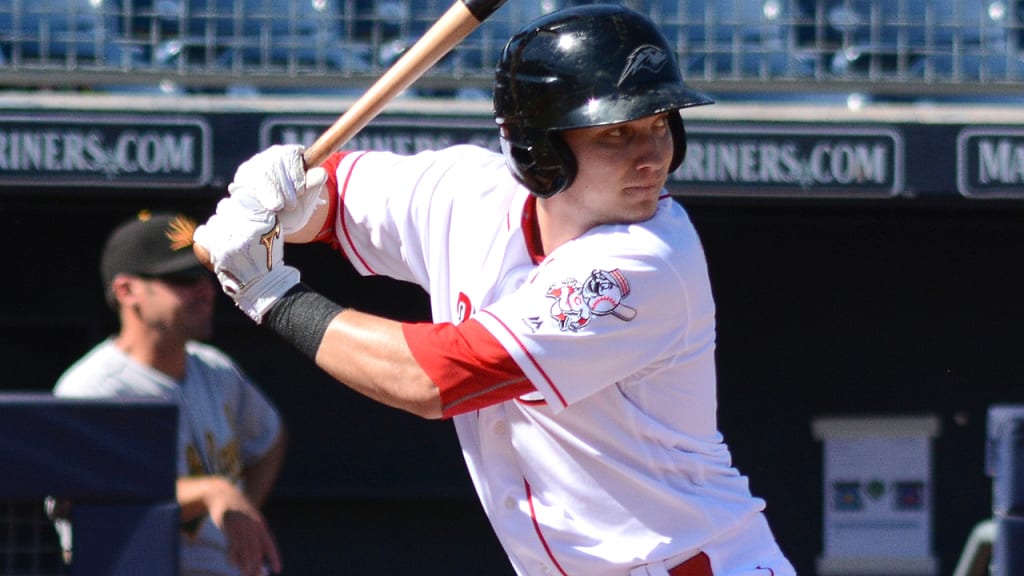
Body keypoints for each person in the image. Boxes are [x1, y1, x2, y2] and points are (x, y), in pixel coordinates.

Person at [194, 5, 795, 576]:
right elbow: (329, 201)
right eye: (616, 133)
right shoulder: (464, 193)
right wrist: (273, 195)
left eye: (660, 124)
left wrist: (268, 292)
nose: (651, 156)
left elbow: (432, 379)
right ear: (537, 147)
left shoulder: (648, 261)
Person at [52, 210, 286, 576]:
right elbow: (80, 500)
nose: (205, 290)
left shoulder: (216, 369)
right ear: (127, 290)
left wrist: (242, 507)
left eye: (205, 276)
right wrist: (211, 492)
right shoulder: (90, 389)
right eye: (182, 278)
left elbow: (270, 438)